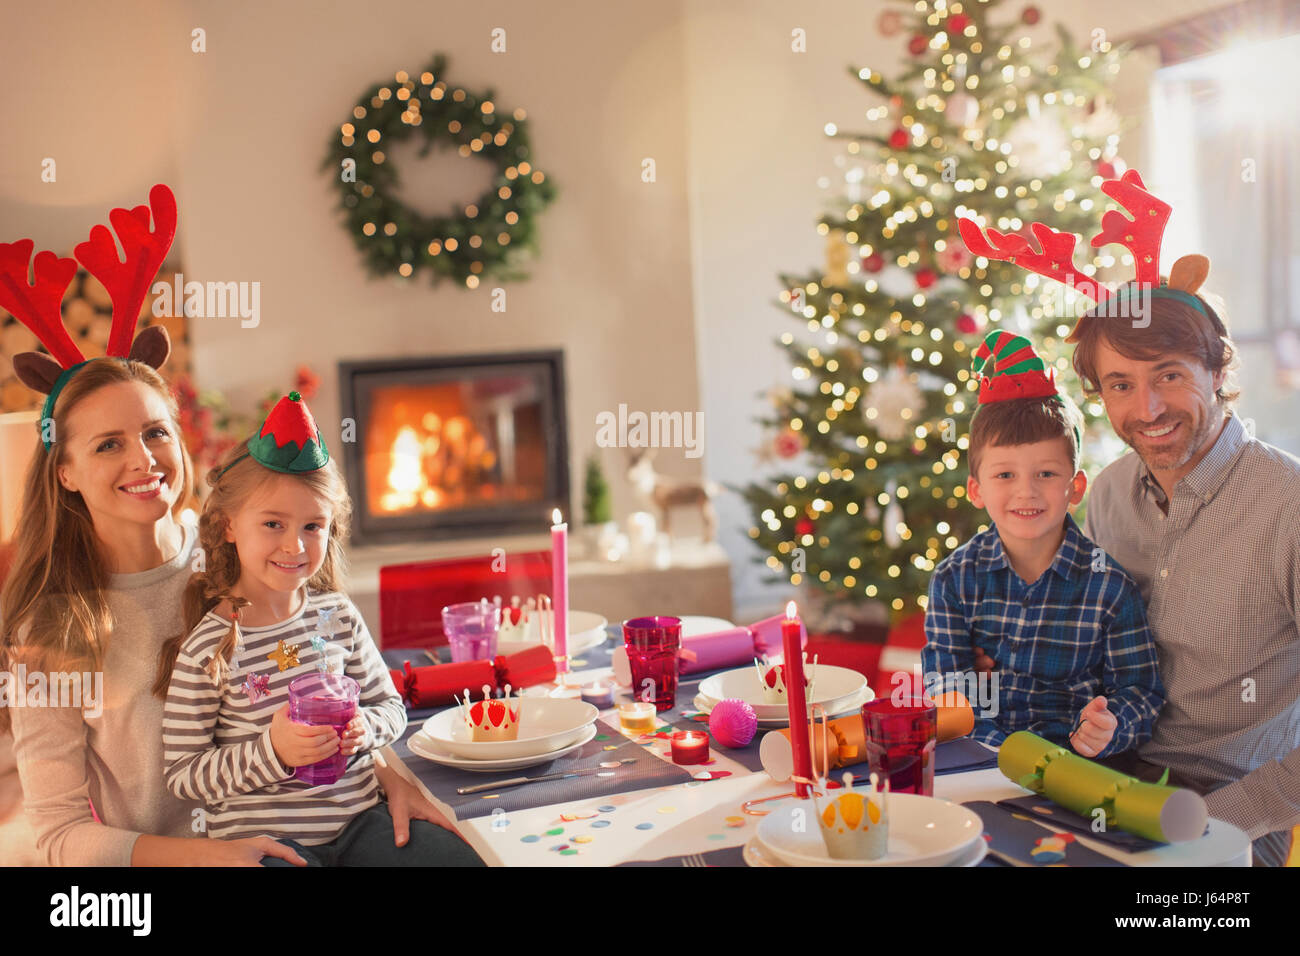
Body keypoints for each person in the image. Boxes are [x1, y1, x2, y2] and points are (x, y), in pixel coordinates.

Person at [0, 185, 456, 866]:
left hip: (332, 824)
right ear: (63, 471)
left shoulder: (254, 549)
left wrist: (385, 770)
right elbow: (60, 835)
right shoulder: (48, 631)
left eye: (155, 432)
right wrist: (209, 857)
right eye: (107, 445)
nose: (144, 460)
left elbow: (336, 678)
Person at [961, 169, 1300, 865]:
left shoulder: (1288, 506)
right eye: (1121, 384)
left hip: (1229, 818)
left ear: (1215, 368)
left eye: (1169, 375)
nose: (1147, 410)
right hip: (1095, 780)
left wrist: (1217, 815)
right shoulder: (1109, 495)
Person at [159, 393, 482, 865]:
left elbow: (390, 706)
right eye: (273, 523)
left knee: (458, 858)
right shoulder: (209, 647)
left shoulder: (337, 616)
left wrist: (364, 728)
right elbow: (184, 774)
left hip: (360, 825)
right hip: (269, 848)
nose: (295, 545)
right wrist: (273, 749)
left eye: (313, 526)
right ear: (229, 525)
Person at [922, 329, 1165, 757]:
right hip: (977, 762)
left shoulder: (1109, 588)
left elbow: (1140, 693)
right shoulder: (954, 580)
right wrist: (999, 749)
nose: (1026, 492)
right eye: (1005, 475)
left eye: (1046, 474)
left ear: (1075, 486)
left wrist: (1111, 726)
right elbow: (946, 686)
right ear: (976, 490)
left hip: (1073, 772)